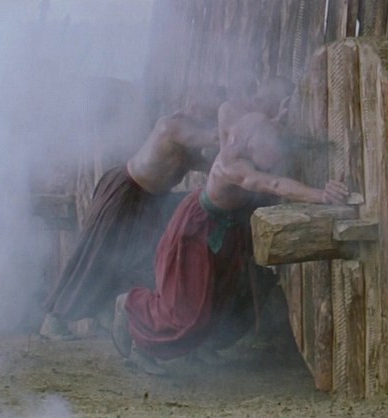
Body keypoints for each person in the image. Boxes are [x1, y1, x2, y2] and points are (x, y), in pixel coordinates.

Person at [112, 112, 349, 375]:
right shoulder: (232, 166)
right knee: (184, 309)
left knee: (217, 297)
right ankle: (132, 312)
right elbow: (274, 183)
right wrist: (321, 195)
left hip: (224, 230)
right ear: (249, 144)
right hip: (196, 232)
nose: (276, 152)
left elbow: (270, 134)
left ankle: (197, 348)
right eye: (268, 145)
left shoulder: (254, 140)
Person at [39, 87, 225, 340]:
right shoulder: (173, 126)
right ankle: (55, 319)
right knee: (95, 256)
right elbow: (215, 137)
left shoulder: (189, 141)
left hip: (150, 203)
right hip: (125, 194)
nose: (210, 119)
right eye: (210, 112)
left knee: (133, 261)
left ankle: (106, 311)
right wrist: (253, 131)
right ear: (195, 106)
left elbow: (215, 167)